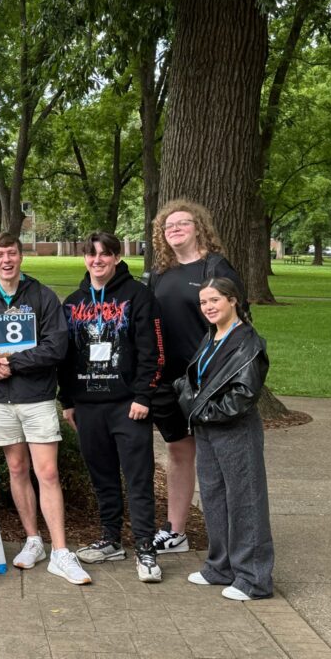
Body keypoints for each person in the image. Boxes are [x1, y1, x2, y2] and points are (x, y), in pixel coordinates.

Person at [0, 232, 91, 586]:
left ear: (21, 257)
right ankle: (33, 540)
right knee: (17, 468)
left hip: (36, 397)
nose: (6, 260)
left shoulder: (42, 296)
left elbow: (57, 347)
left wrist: (13, 362)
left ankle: (61, 552)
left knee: (47, 472)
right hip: (0, 400)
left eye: (12, 253)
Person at [59, 232, 164, 583]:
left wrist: (143, 396)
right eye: (91, 254)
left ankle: (146, 548)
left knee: (138, 478)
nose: (98, 260)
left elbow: (153, 351)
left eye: (105, 254)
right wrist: (69, 401)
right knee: (102, 477)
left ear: (117, 257)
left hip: (127, 405)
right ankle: (110, 539)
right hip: (88, 407)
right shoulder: (72, 303)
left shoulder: (138, 296)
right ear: (84, 258)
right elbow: (66, 356)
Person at [146, 199, 247, 555]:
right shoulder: (161, 270)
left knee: (215, 454)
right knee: (178, 451)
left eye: (182, 224)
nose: (174, 230)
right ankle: (176, 532)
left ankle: (232, 535)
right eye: (167, 227)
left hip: (208, 377)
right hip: (169, 377)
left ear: (198, 226)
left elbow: (238, 324)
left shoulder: (215, 267)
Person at [175, 277, 273, 600]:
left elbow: (244, 394)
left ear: (233, 300)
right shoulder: (212, 337)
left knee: (245, 501)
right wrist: (185, 396)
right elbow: (198, 379)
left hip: (235, 430)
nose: (208, 307)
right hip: (207, 430)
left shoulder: (248, 342)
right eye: (204, 302)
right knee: (215, 498)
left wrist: (203, 412)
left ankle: (254, 579)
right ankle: (220, 567)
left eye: (215, 300)